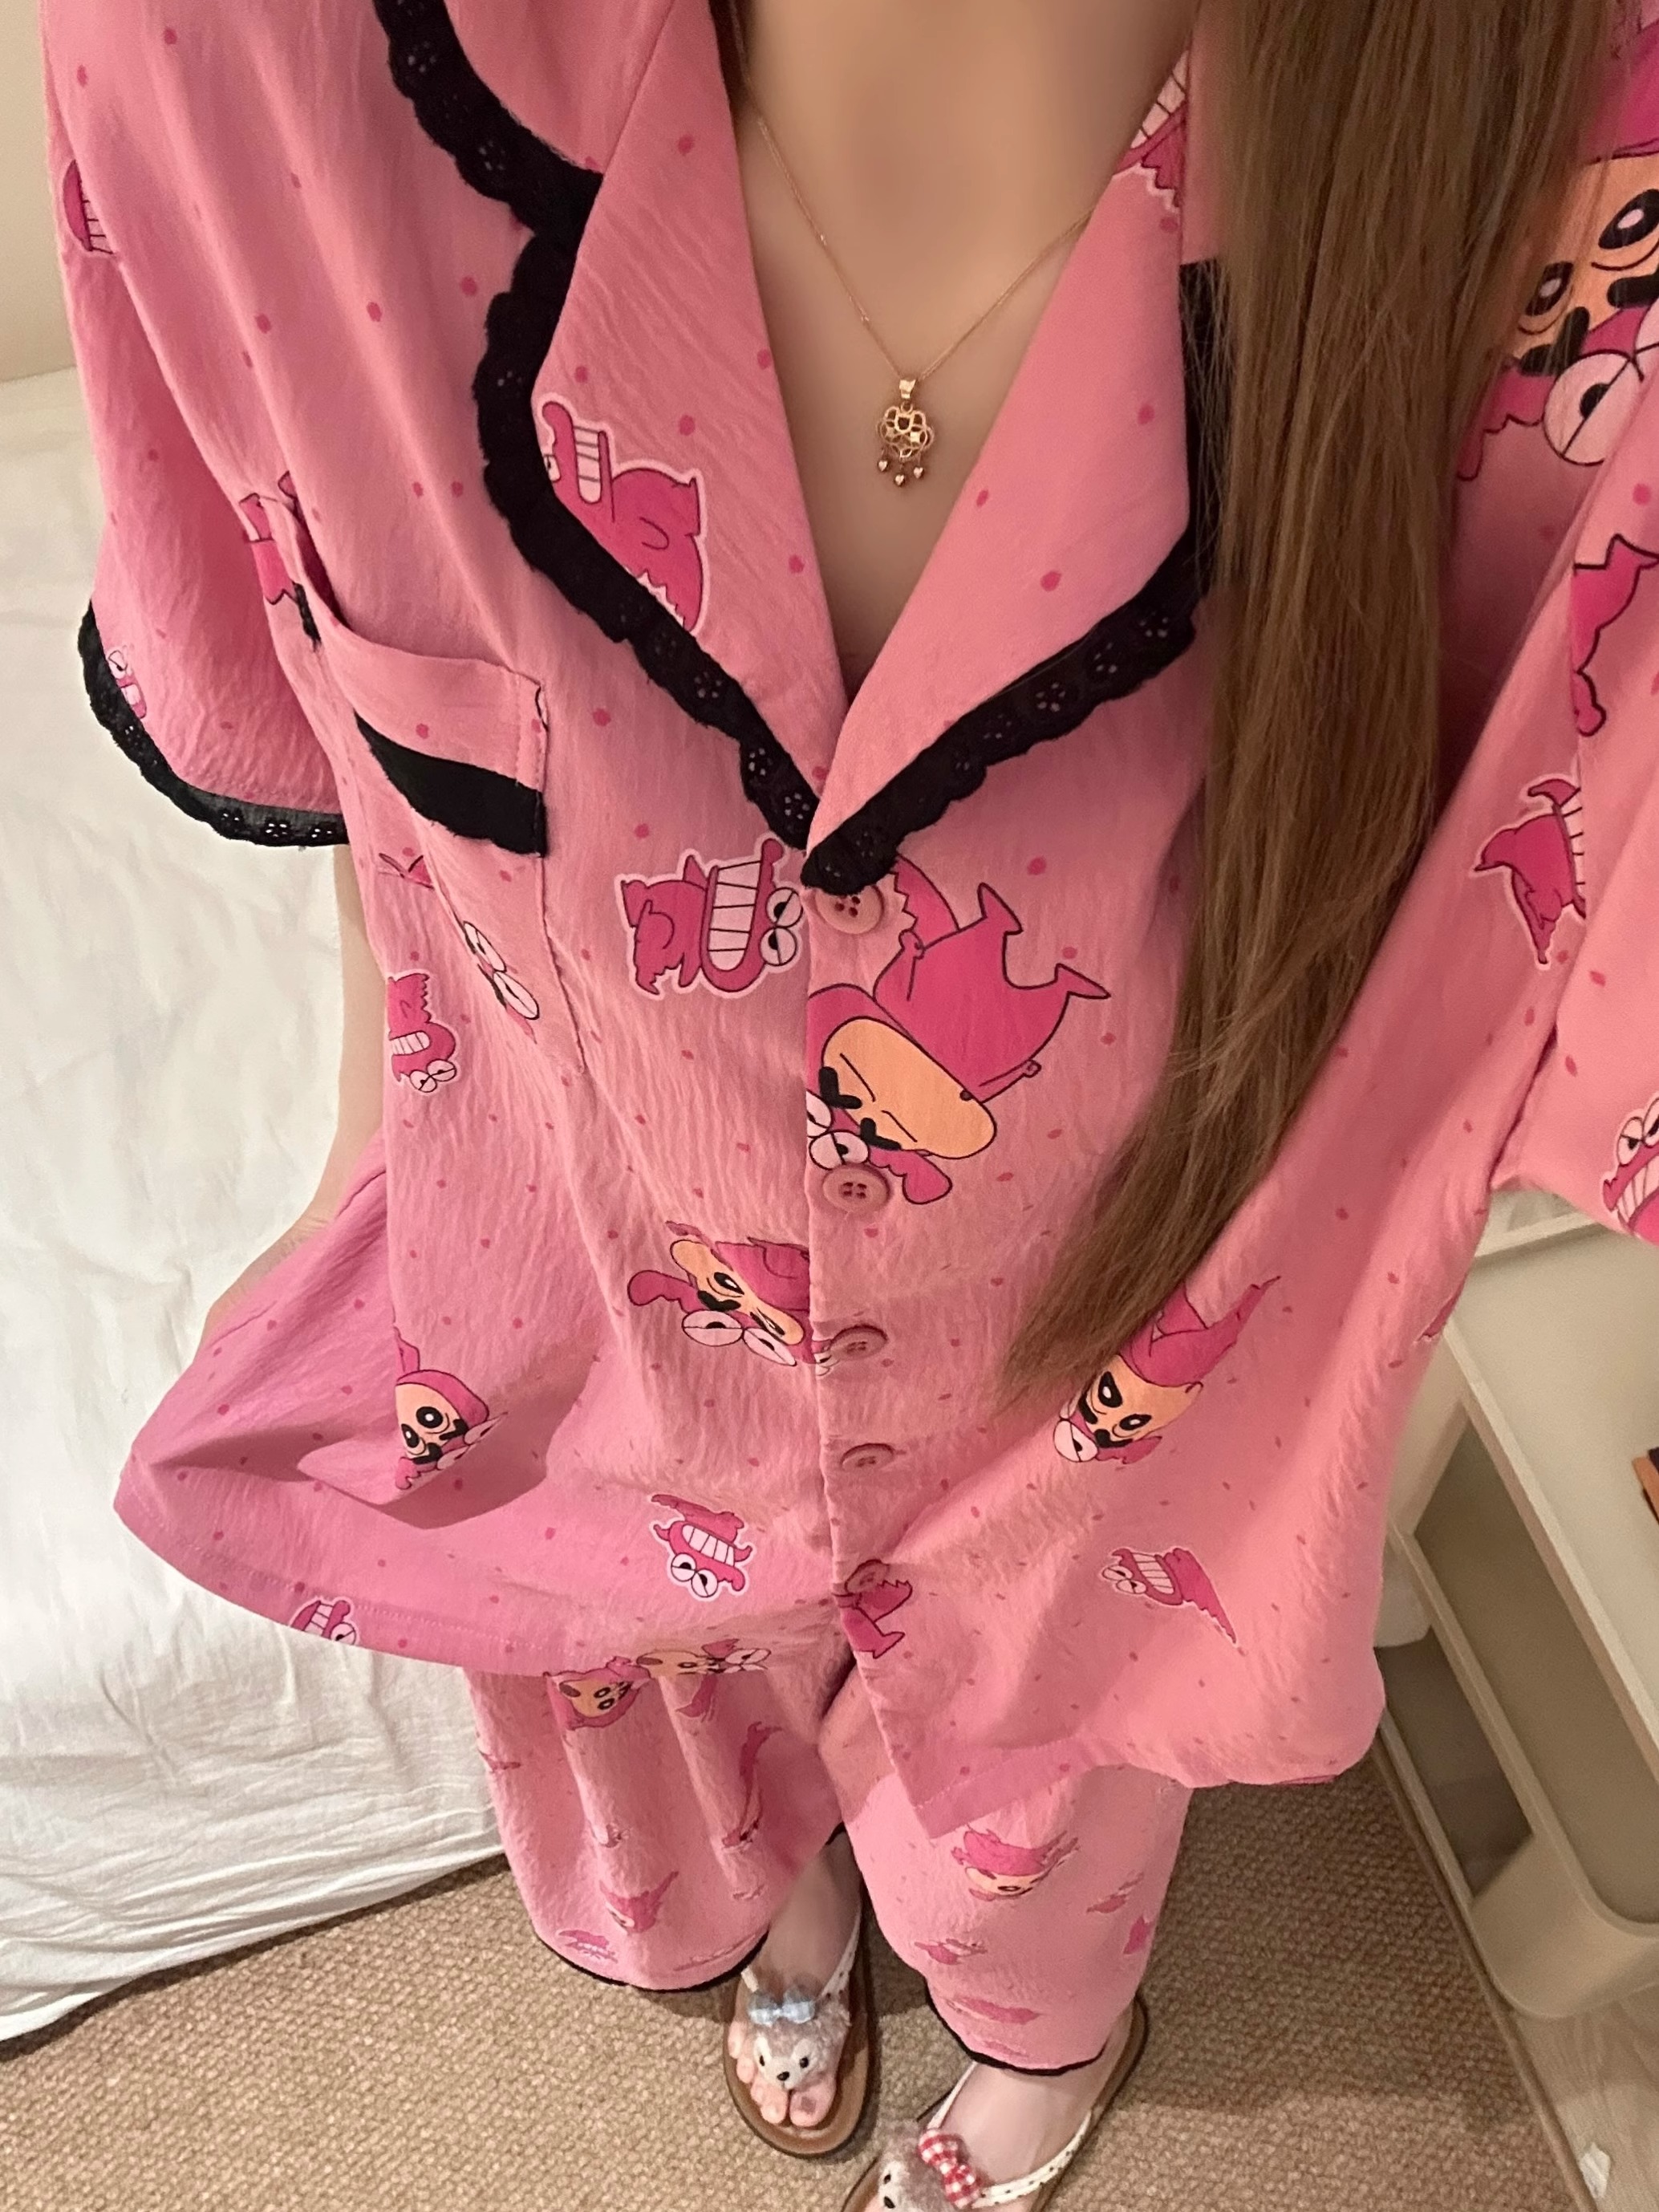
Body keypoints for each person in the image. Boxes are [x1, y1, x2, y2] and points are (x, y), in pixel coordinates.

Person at [39, 0, 1659, 2202]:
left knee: (1039, 1824)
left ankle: (1038, 2037)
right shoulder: (234, 60)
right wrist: (368, 1167)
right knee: (660, 1722)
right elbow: (369, 730)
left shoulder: (1586, 200)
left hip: (1113, 1358)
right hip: (591, 1285)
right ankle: (768, 1916)